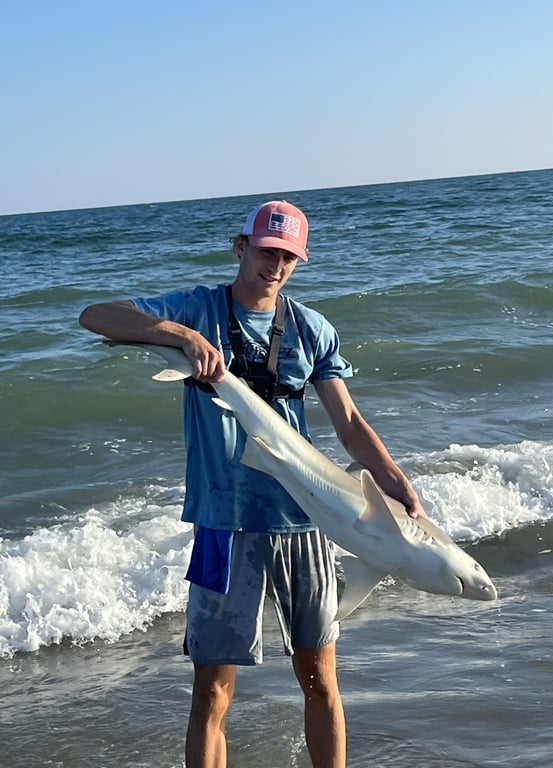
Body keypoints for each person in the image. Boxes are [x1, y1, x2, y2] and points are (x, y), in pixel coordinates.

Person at [79, 200, 426, 768]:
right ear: (241, 247)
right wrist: (183, 337)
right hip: (223, 522)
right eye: (267, 251)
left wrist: (396, 482)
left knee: (319, 679)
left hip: (304, 518)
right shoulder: (199, 309)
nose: (276, 265)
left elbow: (348, 422)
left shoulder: (312, 328)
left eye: (288, 257)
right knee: (212, 691)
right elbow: (96, 316)